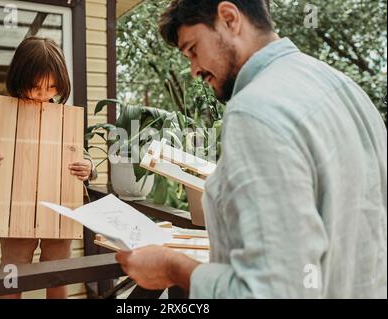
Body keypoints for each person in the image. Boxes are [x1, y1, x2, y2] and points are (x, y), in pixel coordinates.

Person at [116, 0, 387, 298]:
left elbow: (269, 291)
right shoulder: (347, 90)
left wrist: (172, 267)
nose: (194, 69)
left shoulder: (254, 110)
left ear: (230, 18)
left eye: (193, 49)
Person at [0, 37, 98, 299]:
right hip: (14, 208)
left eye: (52, 87)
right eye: (36, 87)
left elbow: (83, 155)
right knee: (12, 273)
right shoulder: (2, 115)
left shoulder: (66, 117)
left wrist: (87, 166)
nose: (44, 94)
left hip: (60, 205)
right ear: (19, 79)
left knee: (58, 273)